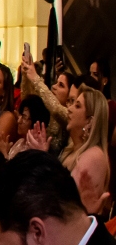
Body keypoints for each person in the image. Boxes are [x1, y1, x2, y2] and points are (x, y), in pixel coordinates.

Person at [28, 85, 110, 215]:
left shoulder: (94, 155)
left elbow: (68, 204)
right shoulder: (71, 150)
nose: (69, 109)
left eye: (77, 106)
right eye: (72, 103)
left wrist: (43, 158)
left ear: (89, 121)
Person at [0, 94, 51, 160]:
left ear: (35, 122)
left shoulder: (35, 150)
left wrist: (4, 153)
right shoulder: (20, 142)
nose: (19, 121)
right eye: (20, 115)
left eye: (24, 117)